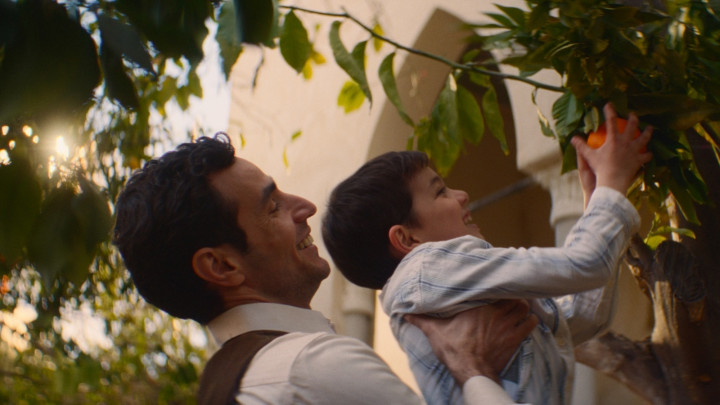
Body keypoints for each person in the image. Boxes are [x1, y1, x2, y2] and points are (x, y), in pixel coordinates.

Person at [112, 133, 537, 404]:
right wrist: (472, 369)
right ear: (221, 266)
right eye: (273, 207)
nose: (307, 207)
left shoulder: (231, 382)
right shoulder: (312, 367)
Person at [322, 103, 653, 405]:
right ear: (407, 239)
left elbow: (582, 315)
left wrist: (596, 200)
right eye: (440, 192)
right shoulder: (426, 268)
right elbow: (586, 264)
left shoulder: (448, 294)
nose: (461, 195)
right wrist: (611, 184)